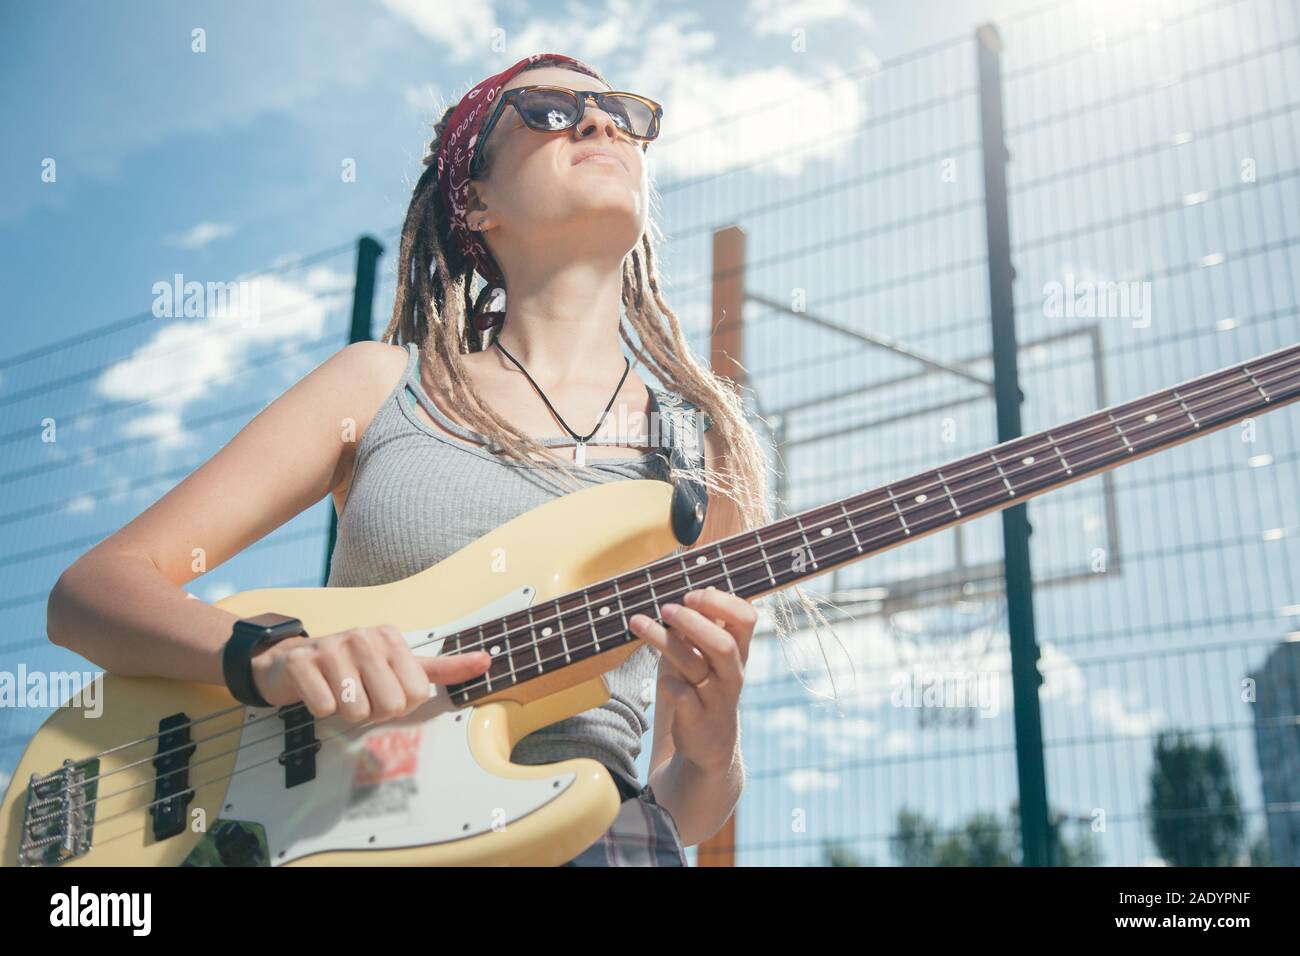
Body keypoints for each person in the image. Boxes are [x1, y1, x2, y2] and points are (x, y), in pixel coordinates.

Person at [46, 52, 826, 866]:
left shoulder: (699, 455)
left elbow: (683, 807)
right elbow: (90, 593)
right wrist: (272, 656)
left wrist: (710, 754)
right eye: (550, 112)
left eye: (618, 113)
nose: (599, 122)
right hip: (343, 834)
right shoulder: (379, 385)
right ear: (476, 201)